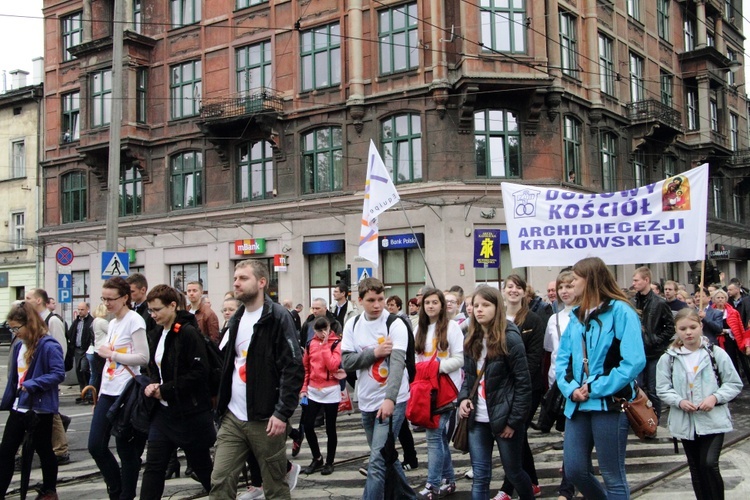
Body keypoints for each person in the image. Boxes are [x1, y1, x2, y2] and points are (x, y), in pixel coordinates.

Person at [211, 260, 304, 500]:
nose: (236, 283)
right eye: (235, 278)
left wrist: (282, 413)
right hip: (233, 416)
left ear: (261, 282)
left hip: (265, 418)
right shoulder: (236, 319)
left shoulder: (278, 317)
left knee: (275, 487)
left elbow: (293, 366)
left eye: (243, 278)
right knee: (220, 480)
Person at [556, 257, 646, 500]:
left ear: (590, 279)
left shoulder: (621, 311)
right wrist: (571, 388)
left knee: (612, 475)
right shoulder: (576, 316)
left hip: (610, 403)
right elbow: (562, 359)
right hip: (578, 403)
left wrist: (595, 387)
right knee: (574, 470)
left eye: (574, 279)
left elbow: (633, 361)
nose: (570, 285)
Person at [341, 278, 416, 500]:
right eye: (371, 300)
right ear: (360, 300)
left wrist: (390, 399)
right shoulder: (352, 324)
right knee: (386, 456)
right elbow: (346, 362)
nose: (377, 305)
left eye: (381, 299)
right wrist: (375, 353)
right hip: (366, 399)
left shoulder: (395, 323)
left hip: (393, 399)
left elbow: (397, 364)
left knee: (376, 461)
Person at [656, 308, 742, 500]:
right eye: (683, 328)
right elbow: (662, 388)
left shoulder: (715, 353)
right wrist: (679, 401)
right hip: (686, 421)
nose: (688, 332)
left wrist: (715, 397)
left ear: (701, 327)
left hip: (712, 419)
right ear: (676, 330)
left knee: (709, 463)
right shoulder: (668, 358)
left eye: (693, 327)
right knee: (696, 468)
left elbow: (734, 383)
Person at [458, 286, 533, 500]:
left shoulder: (510, 337)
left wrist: (513, 421)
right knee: (480, 476)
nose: (478, 310)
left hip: (504, 419)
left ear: (497, 307)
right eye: (475, 306)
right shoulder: (470, 337)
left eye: (485, 305)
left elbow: (523, 384)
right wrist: (463, 399)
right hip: (477, 419)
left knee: (514, 472)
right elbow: (469, 378)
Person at [140, 285, 215, 499]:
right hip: (164, 414)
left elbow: (200, 372)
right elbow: (155, 367)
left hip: (189, 413)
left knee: (203, 467)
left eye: (157, 310)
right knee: (154, 466)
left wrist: (166, 390)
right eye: (150, 311)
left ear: (173, 305)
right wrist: (153, 384)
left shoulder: (188, 332)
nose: (153, 315)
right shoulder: (157, 333)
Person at [88, 277, 149, 500]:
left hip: (127, 392)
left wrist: (112, 354)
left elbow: (143, 357)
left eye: (111, 299)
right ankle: (116, 487)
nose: (107, 303)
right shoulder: (112, 323)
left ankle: (126, 494)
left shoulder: (134, 321)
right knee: (95, 444)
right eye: (104, 299)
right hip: (108, 390)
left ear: (125, 298)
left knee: (126, 449)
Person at [0, 302, 65, 500]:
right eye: (11, 328)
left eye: (16, 328)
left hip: (39, 408)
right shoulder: (20, 345)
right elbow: (14, 378)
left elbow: (58, 374)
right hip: (19, 406)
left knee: (43, 448)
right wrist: (6, 401)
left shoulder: (48, 345)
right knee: (6, 451)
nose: (14, 332)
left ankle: (49, 491)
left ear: (29, 324)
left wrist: (34, 383)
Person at [495, 275, 545, 499]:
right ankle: (531, 481)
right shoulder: (497, 318)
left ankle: (508, 487)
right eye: (509, 287)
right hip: (501, 388)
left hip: (528, 388)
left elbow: (535, 358)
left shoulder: (534, 320)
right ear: (503, 291)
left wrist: (518, 382)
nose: (513, 290)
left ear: (525, 292)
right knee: (519, 436)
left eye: (518, 287)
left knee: (515, 432)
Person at [413, 288, 463, 499]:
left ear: (442, 305)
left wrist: (436, 367)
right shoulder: (419, 328)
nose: (431, 306)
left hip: (446, 390)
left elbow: (460, 359)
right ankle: (449, 481)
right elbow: (415, 360)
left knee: (433, 437)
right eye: (427, 303)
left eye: (435, 302)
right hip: (425, 390)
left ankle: (433, 484)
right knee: (440, 438)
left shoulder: (452, 328)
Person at [25, 288, 70, 465]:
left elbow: (60, 347)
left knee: (51, 412)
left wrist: (54, 371)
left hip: (49, 374)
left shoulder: (52, 321)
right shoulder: (36, 320)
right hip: (38, 374)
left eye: (28, 298)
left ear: (38, 300)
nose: (25, 300)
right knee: (48, 413)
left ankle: (61, 449)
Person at [543, 271, 577, 500]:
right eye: (561, 287)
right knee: (568, 435)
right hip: (559, 383)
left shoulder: (587, 316)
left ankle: (570, 484)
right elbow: (550, 351)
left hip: (582, 385)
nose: (564, 291)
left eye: (569, 286)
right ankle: (570, 481)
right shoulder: (553, 319)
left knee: (577, 437)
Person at [300, 316, 344, 476]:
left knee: (330, 428)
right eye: (319, 331)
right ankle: (317, 457)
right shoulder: (310, 344)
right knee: (308, 425)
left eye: (324, 330)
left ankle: (330, 462)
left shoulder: (336, 343)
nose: (322, 333)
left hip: (331, 389)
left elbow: (333, 365)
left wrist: (325, 345)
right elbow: (306, 368)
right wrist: (304, 388)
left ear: (329, 328)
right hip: (313, 389)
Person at [632, 266, 675, 421]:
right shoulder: (632, 302)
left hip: (654, 352)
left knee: (653, 389)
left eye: (636, 280)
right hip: (637, 351)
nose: (634, 283)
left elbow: (670, 327)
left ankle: (654, 419)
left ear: (646, 280)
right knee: (637, 387)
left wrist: (656, 340)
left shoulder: (659, 303)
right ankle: (639, 419)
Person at [68, 302, 94, 404]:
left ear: (87, 309)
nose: (80, 311)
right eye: (78, 309)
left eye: (82, 309)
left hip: (86, 349)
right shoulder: (76, 321)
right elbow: (71, 333)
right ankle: (82, 392)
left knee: (84, 369)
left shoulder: (91, 321)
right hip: (77, 349)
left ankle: (88, 393)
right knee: (78, 371)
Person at [89, 303, 109, 394]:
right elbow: (111, 332)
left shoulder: (95, 321)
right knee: (102, 373)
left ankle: (94, 393)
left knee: (97, 373)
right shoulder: (102, 322)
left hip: (97, 349)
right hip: (103, 348)